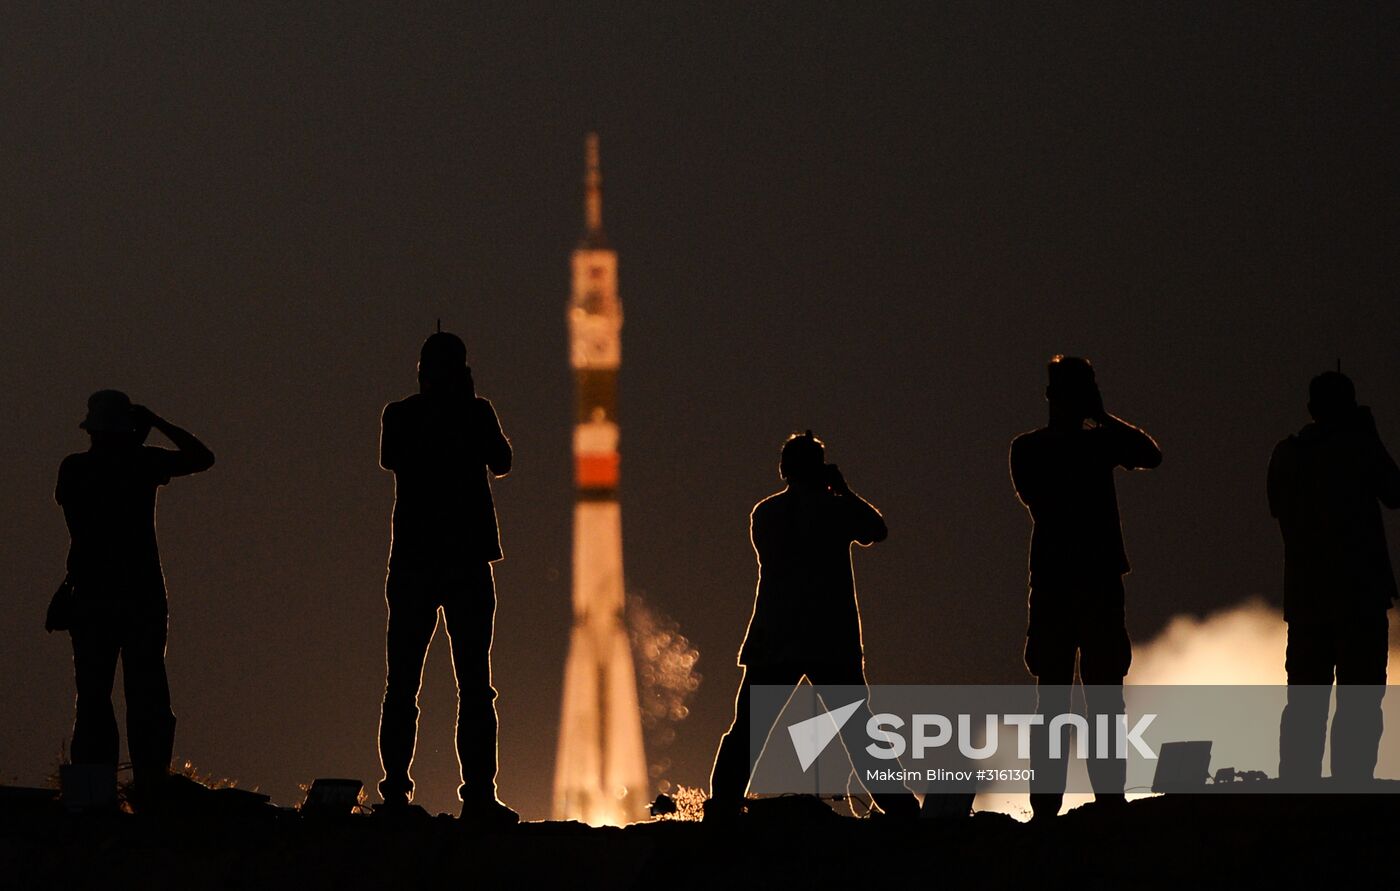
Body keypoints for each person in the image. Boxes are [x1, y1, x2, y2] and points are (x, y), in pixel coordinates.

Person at [707, 431, 921, 821]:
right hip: (829, 640)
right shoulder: (834, 511)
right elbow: (877, 530)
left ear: (784, 470)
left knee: (749, 729)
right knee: (857, 728)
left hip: (777, 639)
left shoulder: (766, 513)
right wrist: (844, 491)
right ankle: (901, 806)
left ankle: (721, 807)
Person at [1009, 356, 1161, 821]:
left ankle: (1099, 801)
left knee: (1093, 696)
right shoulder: (1037, 448)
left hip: (1076, 580)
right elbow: (1144, 454)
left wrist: (1103, 419)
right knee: (1063, 697)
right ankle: (1055, 805)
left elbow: (1150, 455)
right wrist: (1102, 421)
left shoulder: (1073, 445)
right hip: (1073, 581)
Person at [376, 331, 517, 825]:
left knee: (404, 684)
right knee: (475, 685)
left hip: (416, 560)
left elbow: (392, 457)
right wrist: (470, 405)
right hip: (464, 561)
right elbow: (502, 460)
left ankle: (395, 793)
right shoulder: (475, 413)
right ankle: (477, 794)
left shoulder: (401, 414)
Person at [56, 390, 215, 809]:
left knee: (93, 697)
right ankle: (149, 791)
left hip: (91, 595)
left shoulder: (75, 469)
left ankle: (94, 796)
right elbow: (201, 456)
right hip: (139, 596)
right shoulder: (141, 463)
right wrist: (155, 423)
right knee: (146, 696)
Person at [1269, 371, 1400, 786]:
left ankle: (1299, 787)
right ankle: (1353, 787)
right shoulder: (1359, 450)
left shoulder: (1287, 454)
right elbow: (1395, 492)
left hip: (1309, 600)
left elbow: (1279, 509)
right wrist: (1369, 437)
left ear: (1311, 409)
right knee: (1360, 702)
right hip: (1359, 597)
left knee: (1305, 703)